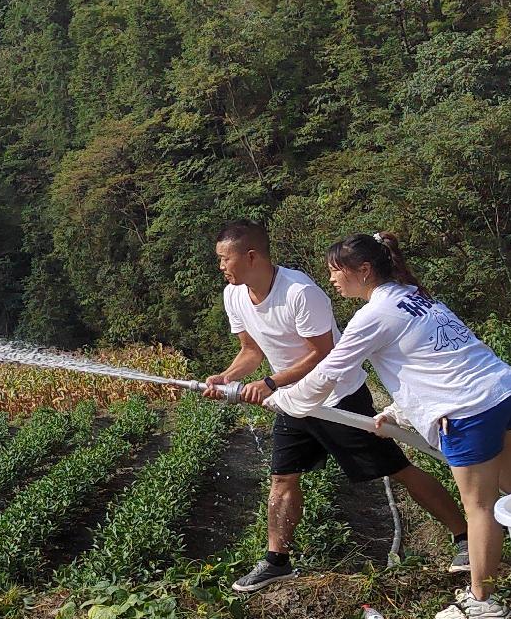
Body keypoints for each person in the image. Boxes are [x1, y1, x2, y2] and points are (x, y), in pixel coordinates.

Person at [269, 232, 511, 619]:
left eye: (336, 272)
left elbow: (328, 373)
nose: (332, 280)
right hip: (506, 391)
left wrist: (284, 399)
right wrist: (398, 410)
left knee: (479, 508)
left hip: (469, 409)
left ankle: (482, 599)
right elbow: (432, 359)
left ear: (364, 270)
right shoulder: (412, 294)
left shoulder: (372, 315)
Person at [201, 220, 471, 594]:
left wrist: (269, 384)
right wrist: (227, 377)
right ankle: (276, 561)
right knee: (283, 478)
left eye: (223, 259)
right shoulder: (234, 296)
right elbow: (251, 350)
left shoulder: (300, 292)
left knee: (396, 469)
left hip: (337, 397)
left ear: (250, 256)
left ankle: (465, 537)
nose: (220, 267)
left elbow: (324, 353)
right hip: (293, 402)